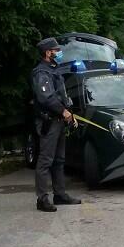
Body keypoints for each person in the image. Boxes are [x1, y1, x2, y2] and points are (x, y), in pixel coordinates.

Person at [32, 37, 81, 212]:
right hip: (49, 121)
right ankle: (42, 199)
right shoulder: (41, 73)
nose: (59, 53)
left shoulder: (54, 70)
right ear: (48, 53)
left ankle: (59, 195)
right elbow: (46, 98)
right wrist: (63, 112)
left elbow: (61, 96)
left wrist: (69, 113)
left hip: (59, 121)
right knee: (45, 160)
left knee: (59, 160)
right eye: (56, 50)